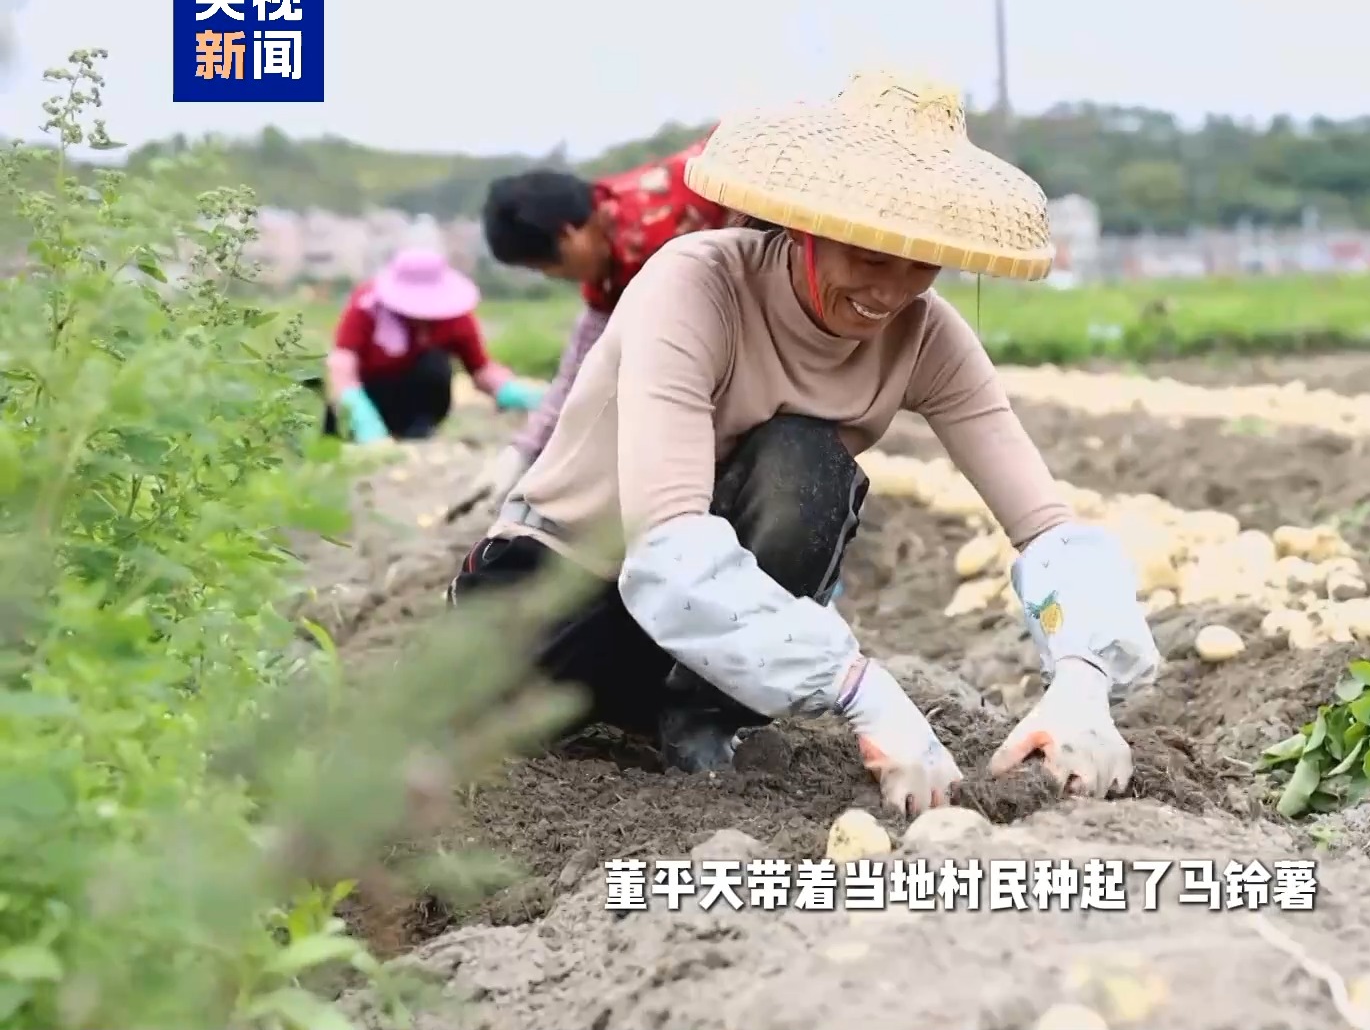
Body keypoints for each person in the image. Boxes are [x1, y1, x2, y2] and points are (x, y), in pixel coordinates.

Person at [444, 69, 1160, 817]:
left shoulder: (925, 336)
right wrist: (859, 686)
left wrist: (1084, 676)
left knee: (805, 463)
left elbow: (1047, 527)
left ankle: (703, 713)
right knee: (495, 725)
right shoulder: (696, 286)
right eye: (869, 257)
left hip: (710, 636)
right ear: (806, 227)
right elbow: (666, 543)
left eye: (920, 263)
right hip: (569, 581)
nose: (890, 292)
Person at [463, 139, 733, 508]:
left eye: (548, 266)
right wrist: (521, 451)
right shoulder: (608, 261)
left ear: (568, 236)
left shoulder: (661, 234)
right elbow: (578, 373)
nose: (555, 277)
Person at [322, 247, 544, 445]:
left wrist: (517, 393)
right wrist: (365, 423)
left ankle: (416, 431)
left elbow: (481, 369)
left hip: (415, 401)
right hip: (367, 395)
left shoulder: (455, 317)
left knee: (435, 364)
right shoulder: (367, 307)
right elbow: (342, 367)